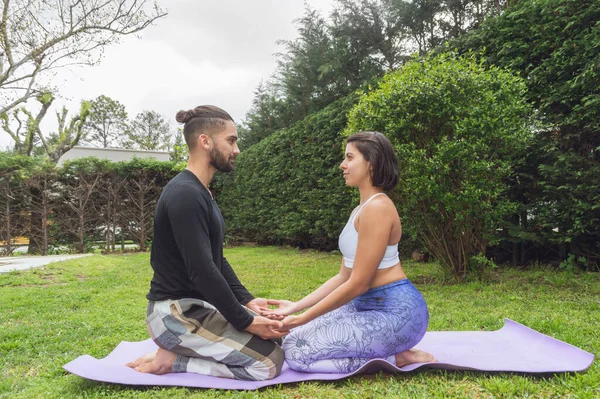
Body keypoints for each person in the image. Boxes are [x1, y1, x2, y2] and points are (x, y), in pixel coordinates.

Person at [126, 105, 286, 381]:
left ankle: (176, 352)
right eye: (231, 140)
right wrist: (246, 321)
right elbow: (202, 270)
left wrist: (247, 301)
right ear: (205, 141)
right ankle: (173, 361)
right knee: (269, 363)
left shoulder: (202, 193)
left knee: (279, 340)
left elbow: (216, 260)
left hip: (195, 308)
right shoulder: (185, 194)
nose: (236, 150)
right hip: (174, 315)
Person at [263, 131, 437, 373]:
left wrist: (302, 317)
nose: (342, 165)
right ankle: (395, 352)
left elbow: (359, 283)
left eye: (349, 157)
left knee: (297, 354)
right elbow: (343, 277)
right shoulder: (360, 209)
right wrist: (294, 308)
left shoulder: (378, 208)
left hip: (397, 314)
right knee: (292, 336)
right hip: (363, 307)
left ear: (371, 163)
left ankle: (396, 357)